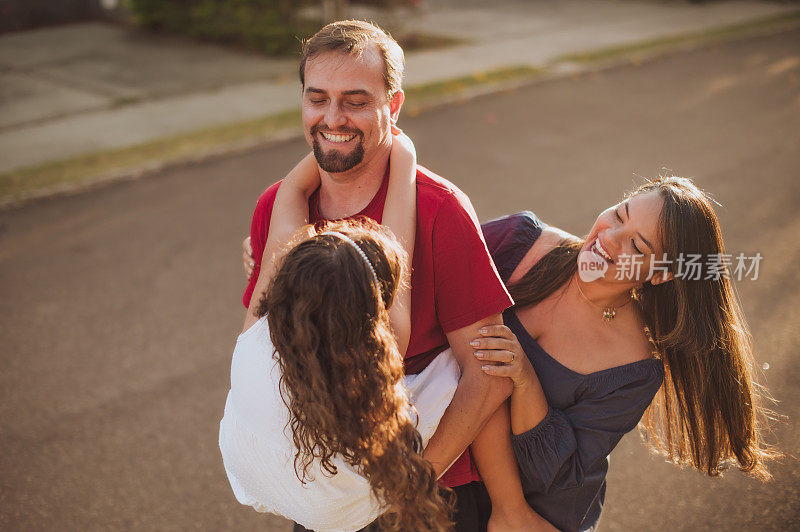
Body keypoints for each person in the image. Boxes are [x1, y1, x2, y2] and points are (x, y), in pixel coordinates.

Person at [240, 19, 552, 532]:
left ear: (395, 105)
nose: (332, 117)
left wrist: (406, 487)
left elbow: (488, 373)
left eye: (356, 100)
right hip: (324, 493)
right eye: (317, 98)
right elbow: (262, 353)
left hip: (427, 492)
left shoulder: (439, 209)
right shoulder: (278, 207)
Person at [468, 177, 780, 531]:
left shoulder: (635, 366)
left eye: (636, 244)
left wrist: (525, 382)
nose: (609, 238)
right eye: (619, 215)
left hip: (538, 517)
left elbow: (554, 474)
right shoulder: (519, 241)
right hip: (461, 471)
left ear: (660, 275)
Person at [220, 217, 457, 531]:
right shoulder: (373, 407)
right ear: (370, 320)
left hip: (250, 477)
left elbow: (288, 199)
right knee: (439, 386)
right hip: (334, 514)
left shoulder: (256, 334)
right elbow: (462, 370)